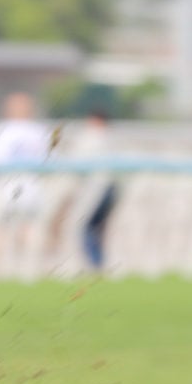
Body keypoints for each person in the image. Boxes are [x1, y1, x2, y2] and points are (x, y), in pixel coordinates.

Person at [0, 92, 53, 274]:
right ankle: (31, 270)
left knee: (2, 230)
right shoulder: (40, 131)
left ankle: (1, 270)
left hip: (9, 188)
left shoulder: (4, 130)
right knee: (29, 231)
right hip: (34, 188)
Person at [65, 109, 118, 271]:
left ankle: (94, 265)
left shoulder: (89, 138)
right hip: (111, 188)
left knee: (86, 227)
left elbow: (77, 165)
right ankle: (99, 263)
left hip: (96, 189)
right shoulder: (112, 138)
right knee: (99, 228)